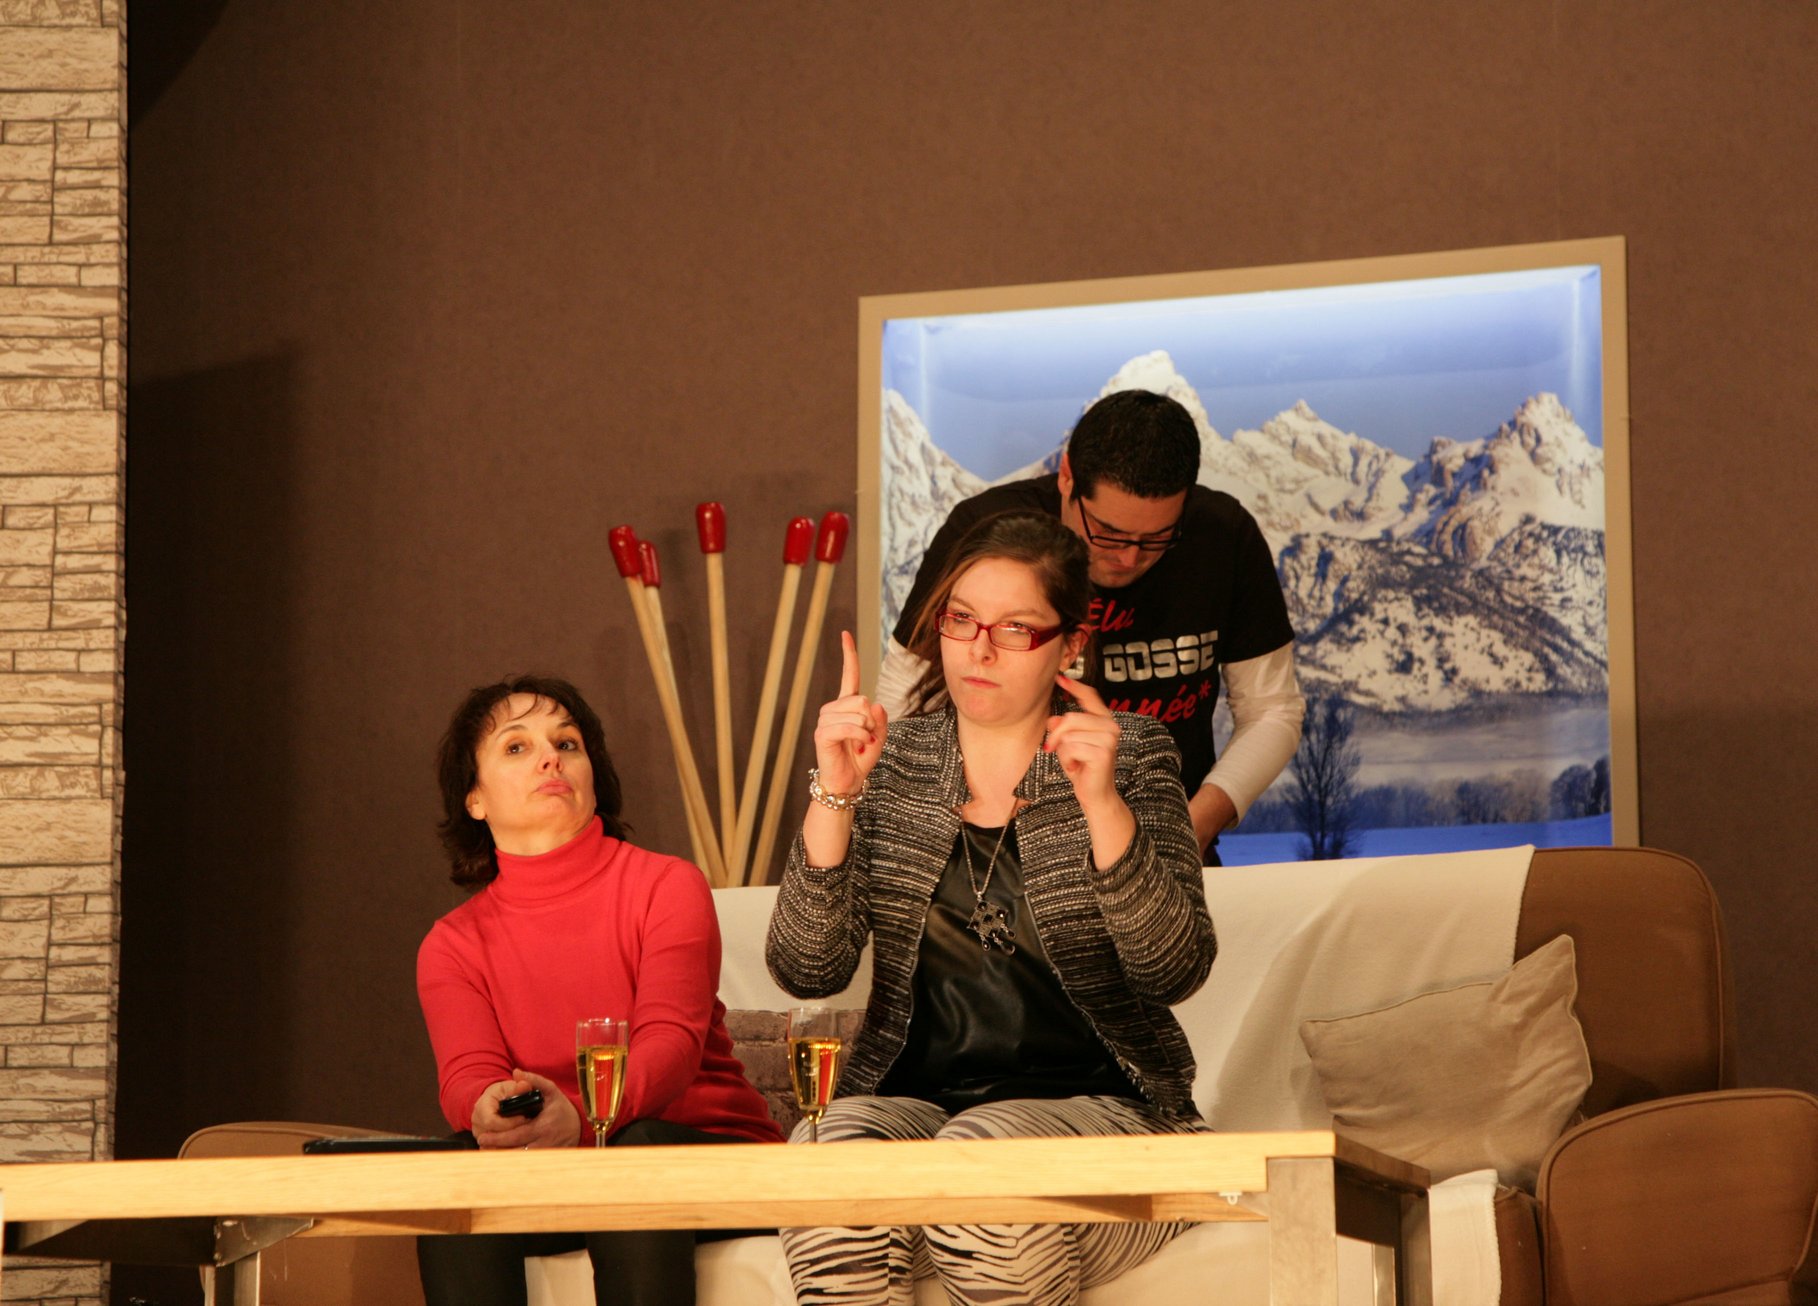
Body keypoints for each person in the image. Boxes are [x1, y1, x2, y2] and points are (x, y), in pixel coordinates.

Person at [767, 512, 1215, 1306]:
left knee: (979, 1152)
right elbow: (807, 969)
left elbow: (1173, 969)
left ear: (1070, 645)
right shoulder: (892, 763)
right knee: (824, 1151)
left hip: (1110, 1115)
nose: (978, 650)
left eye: (1014, 629)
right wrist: (835, 791)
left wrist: (1102, 803)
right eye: (962, 620)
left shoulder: (1131, 751)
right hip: (918, 1111)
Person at [415, 675, 783, 1306]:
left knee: (631, 1154)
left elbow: (669, 1049)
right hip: (557, 1168)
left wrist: (584, 1122)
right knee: (454, 1170)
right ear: (474, 799)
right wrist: (489, 1108)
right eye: (516, 747)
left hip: (706, 1156)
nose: (550, 758)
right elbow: (467, 1077)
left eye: (567, 743)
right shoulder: (451, 945)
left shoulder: (668, 885)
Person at [879, 388, 1304, 859]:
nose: (1129, 558)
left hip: (1170, 842)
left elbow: (1272, 711)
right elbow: (904, 696)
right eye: (1108, 533)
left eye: (1157, 538)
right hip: (1001, 850)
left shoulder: (1224, 536)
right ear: (1067, 477)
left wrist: (1195, 825)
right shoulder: (989, 531)